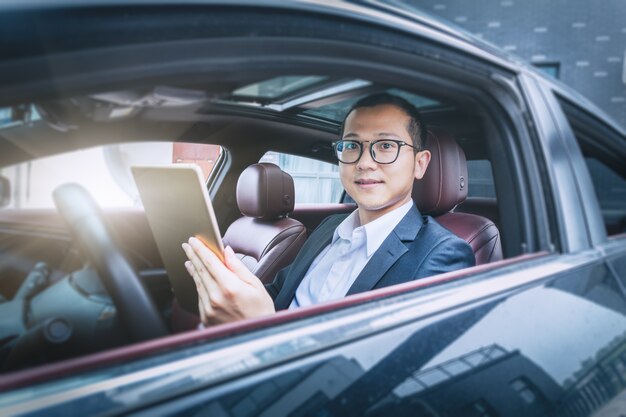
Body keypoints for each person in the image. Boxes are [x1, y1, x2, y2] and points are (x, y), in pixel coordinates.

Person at [182, 93, 475, 326]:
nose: (364, 162)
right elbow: (279, 295)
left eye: (386, 145)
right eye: (351, 146)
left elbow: (390, 372)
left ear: (420, 163)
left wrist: (262, 328)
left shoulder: (443, 255)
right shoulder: (328, 227)